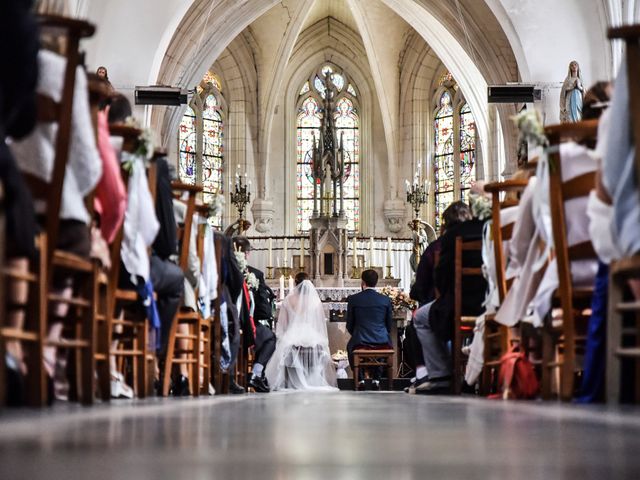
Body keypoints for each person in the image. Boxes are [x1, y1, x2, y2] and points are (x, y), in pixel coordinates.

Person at [408, 201, 487, 395]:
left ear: (445, 223)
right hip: (489, 305)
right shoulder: (487, 232)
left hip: (457, 306)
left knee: (420, 317)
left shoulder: (447, 239)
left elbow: (440, 278)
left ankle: (441, 375)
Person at [265, 272, 337, 391]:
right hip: (312, 335)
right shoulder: (315, 301)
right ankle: (310, 378)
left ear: (296, 284)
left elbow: (283, 324)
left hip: (293, 335)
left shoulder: (288, 300)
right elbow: (320, 323)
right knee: (319, 346)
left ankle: (291, 381)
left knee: (284, 347)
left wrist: (282, 337)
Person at [233, 237, 276, 393]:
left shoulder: (219, 268)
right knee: (270, 338)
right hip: (245, 326)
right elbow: (264, 310)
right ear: (248, 254)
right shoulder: (255, 274)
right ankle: (256, 373)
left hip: (225, 323)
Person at [345, 269, 393, 388]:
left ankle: (360, 380)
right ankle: (376, 379)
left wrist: (357, 333)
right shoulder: (385, 299)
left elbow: (349, 325)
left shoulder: (353, 299)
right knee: (388, 342)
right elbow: (389, 325)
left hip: (360, 339)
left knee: (350, 347)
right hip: (381, 339)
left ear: (363, 282)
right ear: (376, 282)